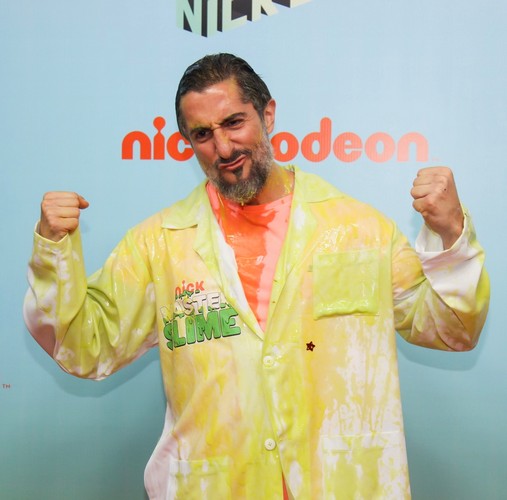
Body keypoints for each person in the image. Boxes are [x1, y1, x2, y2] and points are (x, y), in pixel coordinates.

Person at [24, 53, 489, 499]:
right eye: (202, 134)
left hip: (342, 483)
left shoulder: (359, 229)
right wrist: (53, 250)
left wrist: (451, 231)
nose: (223, 148)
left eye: (233, 122)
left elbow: (452, 329)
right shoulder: (159, 244)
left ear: (267, 115)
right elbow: (83, 346)